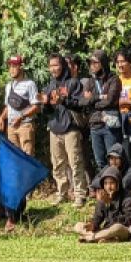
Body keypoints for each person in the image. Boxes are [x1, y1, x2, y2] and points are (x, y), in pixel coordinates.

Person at [0, 55, 40, 231]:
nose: (12, 69)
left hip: (24, 125)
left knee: (26, 158)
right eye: (10, 66)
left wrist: (22, 117)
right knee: (14, 161)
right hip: (10, 126)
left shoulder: (29, 84)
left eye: (15, 66)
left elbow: (36, 105)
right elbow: (8, 106)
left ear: (21, 67)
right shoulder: (9, 86)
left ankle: (27, 190)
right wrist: (1, 117)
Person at [42, 53, 89, 207]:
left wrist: (64, 100)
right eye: (51, 66)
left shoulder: (73, 83)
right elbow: (46, 111)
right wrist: (46, 103)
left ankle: (80, 195)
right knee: (57, 163)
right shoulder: (49, 85)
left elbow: (81, 104)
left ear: (63, 65)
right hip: (54, 128)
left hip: (71, 128)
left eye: (56, 65)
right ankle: (62, 192)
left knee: (75, 162)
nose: (54, 68)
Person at [74, 166, 131, 243]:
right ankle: (106, 238)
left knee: (117, 228)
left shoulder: (129, 198)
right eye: (106, 183)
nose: (108, 187)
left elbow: (129, 221)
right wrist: (93, 225)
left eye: (112, 183)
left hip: (123, 230)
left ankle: (91, 237)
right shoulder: (103, 197)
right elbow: (98, 217)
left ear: (118, 184)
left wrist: (110, 204)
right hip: (105, 230)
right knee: (78, 226)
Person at [84, 49, 123, 169]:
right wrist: (101, 97)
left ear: (103, 63)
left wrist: (93, 100)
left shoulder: (114, 79)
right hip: (95, 124)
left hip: (109, 124)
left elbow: (111, 100)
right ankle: (104, 186)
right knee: (100, 161)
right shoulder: (90, 81)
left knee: (114, 159)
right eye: (91, 63)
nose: (92, 66)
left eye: (96, 62)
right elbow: (84, 101)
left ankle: (116, 186)